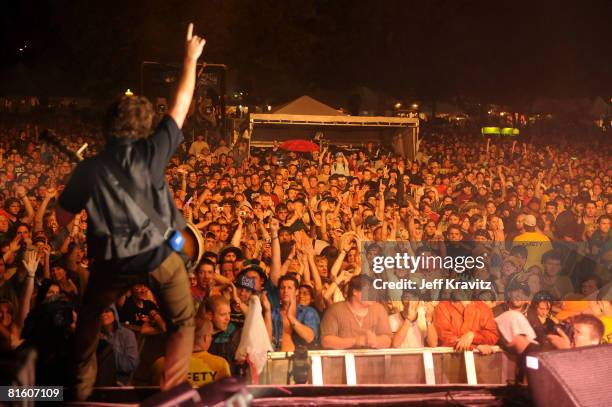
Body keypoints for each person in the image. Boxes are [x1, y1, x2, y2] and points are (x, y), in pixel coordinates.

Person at [54, 24, 206, 400]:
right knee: (183, 320)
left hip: (110, 262)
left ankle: (78, 391)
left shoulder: (89, 168)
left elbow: (61, 217)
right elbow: (180, 105)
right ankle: (172, 392)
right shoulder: (152, 152)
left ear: (108, 127)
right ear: (144, 127)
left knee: (89, 317)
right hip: (158, 255)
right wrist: (189, 59)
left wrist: (69, 225)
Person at [152, 319, 231, 387]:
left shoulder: (160, 364)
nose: (211, 339)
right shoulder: (220, 365)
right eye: (210, 335)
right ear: (206, 338)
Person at [320, 275, 392, 349]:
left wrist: (375, 341)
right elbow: (326, 341)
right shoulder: (335, 310)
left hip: (373, 360)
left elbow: (388, 340)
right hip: (343, 359)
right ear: (355, 292)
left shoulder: (379, 309)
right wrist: (355, 341)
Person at [270, 275, 320, 351]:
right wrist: (267, 312)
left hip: (302, 360)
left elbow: (309, 337)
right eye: (282, 288)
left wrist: (290, 317)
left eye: (289, 288)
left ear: (296, 292)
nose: (285, 291)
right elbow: (265, 339)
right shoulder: (273, 313)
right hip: (276, 358)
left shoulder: (308, 312)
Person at [99, 307, 140, 385]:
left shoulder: (127, 334)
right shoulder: (93, 337)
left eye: (107, 311)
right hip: (98, 382)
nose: (103, 314)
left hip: (120, 382)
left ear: (114, 314)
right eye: (100, 312)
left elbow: (131, 364)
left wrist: (108, 347)